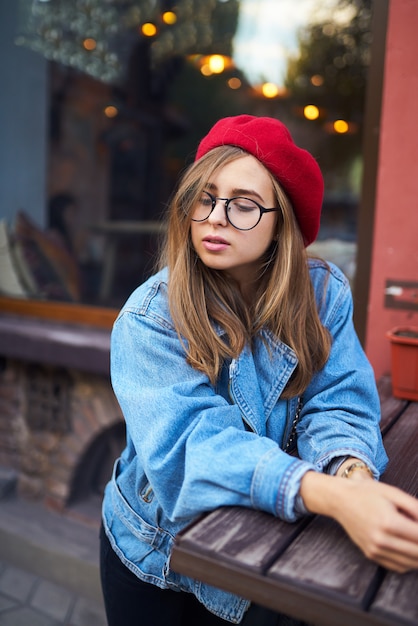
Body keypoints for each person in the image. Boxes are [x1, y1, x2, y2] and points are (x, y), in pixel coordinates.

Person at [100, 115, 418, 626]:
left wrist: (353, 475)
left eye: (244, 205)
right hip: (157, 554)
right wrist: (332, 496)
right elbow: (193, 448)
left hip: (259, 546)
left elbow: (336, 399)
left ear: (280, 222)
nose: (216, 218)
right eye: (204, 198)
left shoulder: (322, 294)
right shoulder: (150, 317)